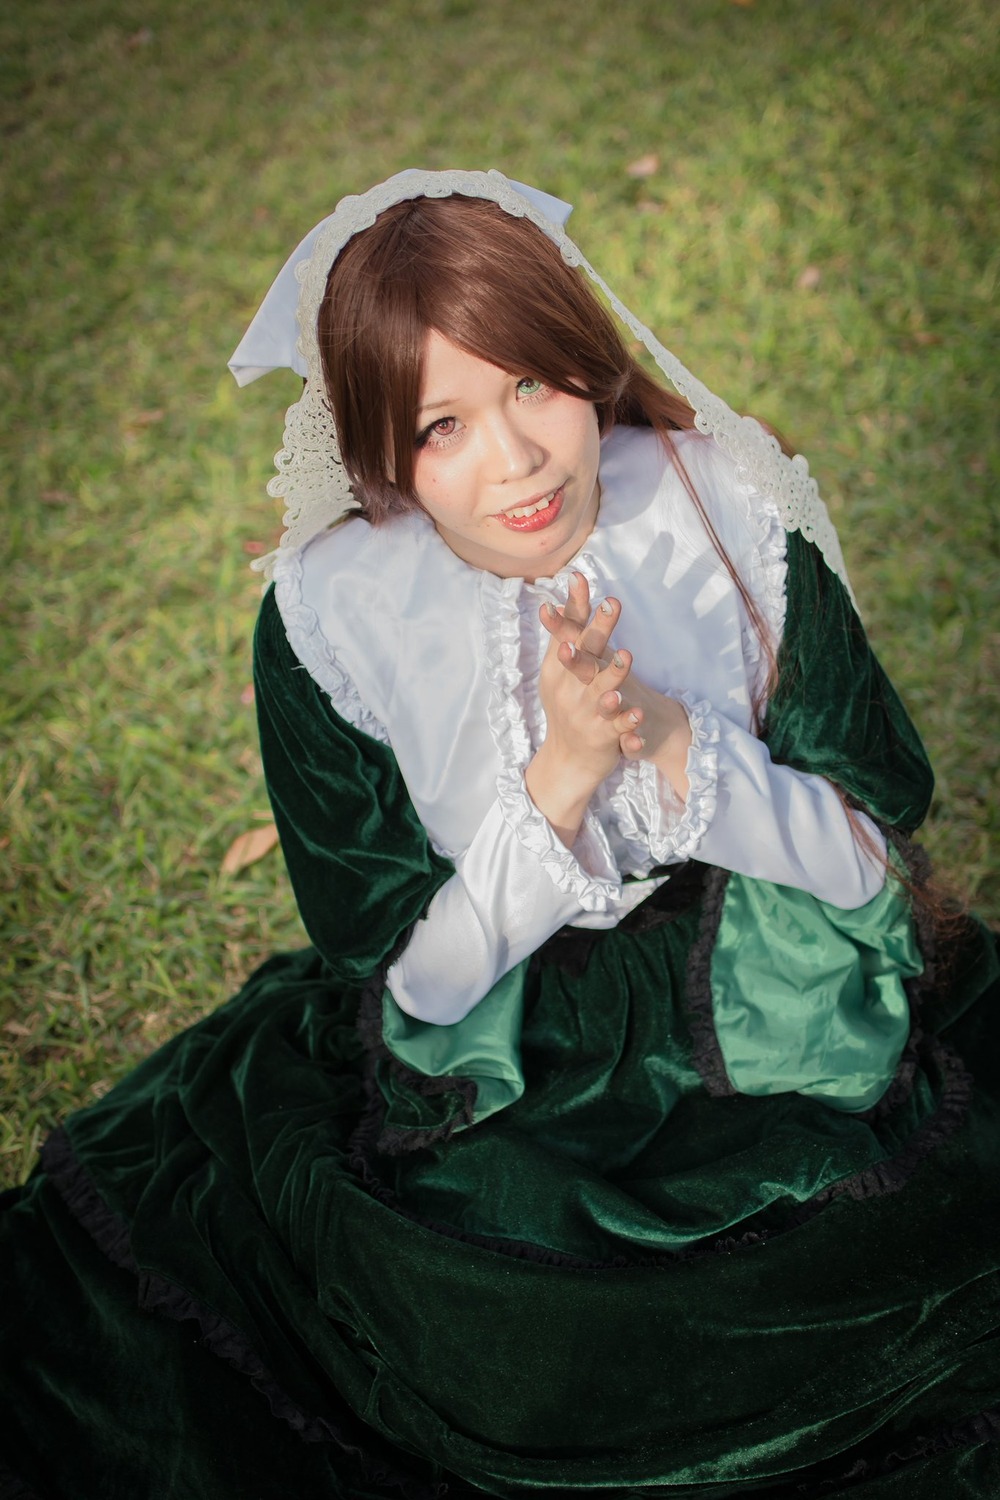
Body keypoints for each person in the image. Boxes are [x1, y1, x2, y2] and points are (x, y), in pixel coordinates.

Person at [2, 168, 998, 1500]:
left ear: (587, 368)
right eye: (444, 425)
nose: (517, 460)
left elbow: (873, 852)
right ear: (383, 457)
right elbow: (416, 978)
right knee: (521, 1349)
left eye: (533, 384)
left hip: (776, 1000)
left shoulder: (726, 513)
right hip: (513, 1046)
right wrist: (563, 785)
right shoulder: (336, 620)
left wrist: (671, 733)